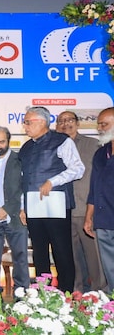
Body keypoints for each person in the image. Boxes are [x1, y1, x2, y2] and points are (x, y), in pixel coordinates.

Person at [19, 106, 84, 293]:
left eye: (28, 122)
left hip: (56, 204)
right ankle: (43, 294)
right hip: (33, 205)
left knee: (61, 251)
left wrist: (52, 181)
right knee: (39, 252)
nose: (25, 126)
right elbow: (25, 179)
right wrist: (24, 207)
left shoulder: (62, 141)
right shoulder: (26, 147)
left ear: (42, 121)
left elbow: (77, 169)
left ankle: (66, 294)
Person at [56, 111, 106, 292]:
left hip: (88, 211)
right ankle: (78, 296)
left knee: (95, 260)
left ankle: (99, 296)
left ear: (78, 124)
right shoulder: (53, 147)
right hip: (62, 212)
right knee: (72, 259)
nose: (65, 124)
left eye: (69, 120)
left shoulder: (93, 145)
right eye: (61, 121)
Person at [0, 126, 29, 293]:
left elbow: (25, 187)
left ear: (8, 141)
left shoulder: (20, 160)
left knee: (20, 258)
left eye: (1, 141)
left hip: (15, 216)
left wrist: (12, 208)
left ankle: (21, 296)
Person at [84, 107, 114, 293]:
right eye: (99, 124)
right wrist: (89, 217)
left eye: (104, 124)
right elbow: (93, 188)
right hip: (103, 219)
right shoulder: (100, 154)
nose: (100, 128)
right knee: (109, 266)